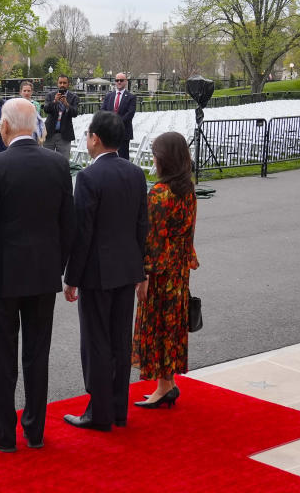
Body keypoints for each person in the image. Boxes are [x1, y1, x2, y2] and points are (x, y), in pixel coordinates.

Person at [0, 99, 75, 452]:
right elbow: (68, 224)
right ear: (35, 127)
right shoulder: (58, 165)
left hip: (3, 275)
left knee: (3, 355)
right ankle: (34, 429)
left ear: (3, 126)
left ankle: (3, 432)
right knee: (37, 354)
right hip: (44, 274)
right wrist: (58, 266)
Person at [63, 111, 148, 432]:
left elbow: (81, 233)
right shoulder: (136, 174)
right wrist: (140, 268)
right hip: (127, 268)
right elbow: (142, 226)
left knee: (96, 341)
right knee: (119, 340)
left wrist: (72, 277)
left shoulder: (88, 177)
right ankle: (117, 409)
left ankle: (99, 412)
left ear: (95, 138)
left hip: (97, 272)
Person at [132, 132, 199, 409]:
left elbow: (153, 240)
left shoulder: (160, 193)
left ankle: (163, 385)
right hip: (179, 269)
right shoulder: (188, 189)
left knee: (158, 327)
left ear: (165, 159)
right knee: (172, 326)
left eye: (156, 154)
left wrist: (144, 276)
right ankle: (167, 383)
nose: (153, 158)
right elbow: (189, 233)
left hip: (161, 272)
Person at [101, 73, 137, 160]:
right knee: (108, 157)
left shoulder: (131, 97)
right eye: (117, 80)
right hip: (109, 132)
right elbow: (102, 111)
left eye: (121, 80)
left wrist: (116, 123)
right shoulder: (109, 96)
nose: (119, 82)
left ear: (126, 82)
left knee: (123, 158)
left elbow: (130, 114)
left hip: (123, 132)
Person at [43, 75, 80, 159]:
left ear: (68, 84)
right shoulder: (50, 95)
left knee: (64, 162)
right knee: (46, 161)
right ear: (57, 84)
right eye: (60, 83)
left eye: (64, 83)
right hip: (49, 134)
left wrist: (67, 104)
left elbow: (75, 113)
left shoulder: (74, 97)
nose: (62, 85)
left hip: (64, 135)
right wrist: (54, 101)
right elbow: (46, 109)